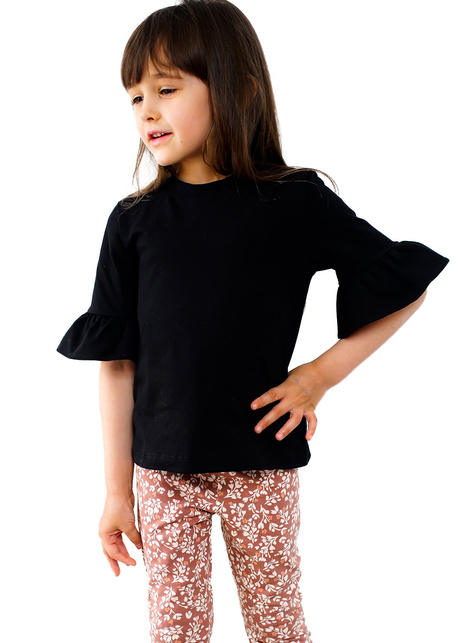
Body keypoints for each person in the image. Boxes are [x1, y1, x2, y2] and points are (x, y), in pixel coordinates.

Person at [56, 1, 449, 642]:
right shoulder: (133, 222)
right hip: (163, 473)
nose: (146, 110)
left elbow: (404, 284)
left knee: (277, 625)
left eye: (166, 90)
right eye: (135, 97)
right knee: (175, 630)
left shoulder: (294, 200)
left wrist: (318, 377)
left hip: (260, 463)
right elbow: (117, 363)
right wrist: (115, 492)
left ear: (236, 88)